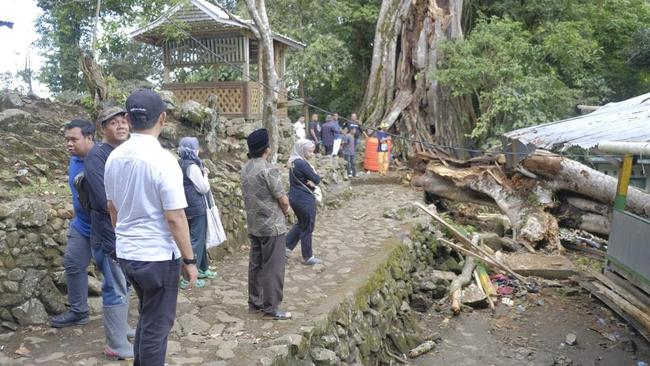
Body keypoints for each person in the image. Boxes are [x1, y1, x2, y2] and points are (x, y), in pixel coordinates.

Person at [105, 89, 198, 365]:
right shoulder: (164, 161)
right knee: (158, 326)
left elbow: (112, 208)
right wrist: (190, 260)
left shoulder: (114, 158)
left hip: (128, 253)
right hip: (156, 256)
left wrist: (124, 238)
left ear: (129, 120)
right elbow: (175, 217)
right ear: (163, 118)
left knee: (147, 316)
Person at [84, 106, 134, 359]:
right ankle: (115, 344)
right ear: (103, 128)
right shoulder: (96, 156)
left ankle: (122, 328)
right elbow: (105, 201)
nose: (121, 126)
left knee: (124, 283)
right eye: (113, 123)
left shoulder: (123, 152)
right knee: (114, 286)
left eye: (124, 121)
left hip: (124, 232)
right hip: (107, 234)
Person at [240, 128, 292, 320]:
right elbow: (283, 199)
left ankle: (255, 302)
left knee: (256, 265)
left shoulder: (245, 169)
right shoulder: (268, 169)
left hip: (255, 224)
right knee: (274, 267)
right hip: (273, 226)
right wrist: (286, 212)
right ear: (266, 149)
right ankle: (272, 307)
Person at [50, 119, 95, 328]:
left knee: (115, 275)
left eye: (73, 139)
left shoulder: (102, 159)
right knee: (73, 264)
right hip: (81, 225)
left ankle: (122, 319)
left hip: (103, 226)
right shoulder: (74, 160)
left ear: (89, 137)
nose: (69, 144)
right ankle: (79, 311)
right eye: (66, 139)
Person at [178, 136, 218, 289]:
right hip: (196, 208)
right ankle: (188, 277)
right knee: (196, 240)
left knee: (199, 240)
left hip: (187, 206)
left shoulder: (181, 163)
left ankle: (203, 269)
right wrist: (205, 175)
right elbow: (203, 187)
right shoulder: (192, 166)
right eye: (196, 147)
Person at [285, 139, 322, 265]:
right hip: (304, 198)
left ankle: (285, 247)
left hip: (295, 197)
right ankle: (308, 256)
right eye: (309, 151)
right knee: (308, 226)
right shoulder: (302, 163)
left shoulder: (293, 162)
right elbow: (316, 179)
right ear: (302, 150)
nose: (312, 154)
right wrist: (313, 181)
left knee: (301, 223)